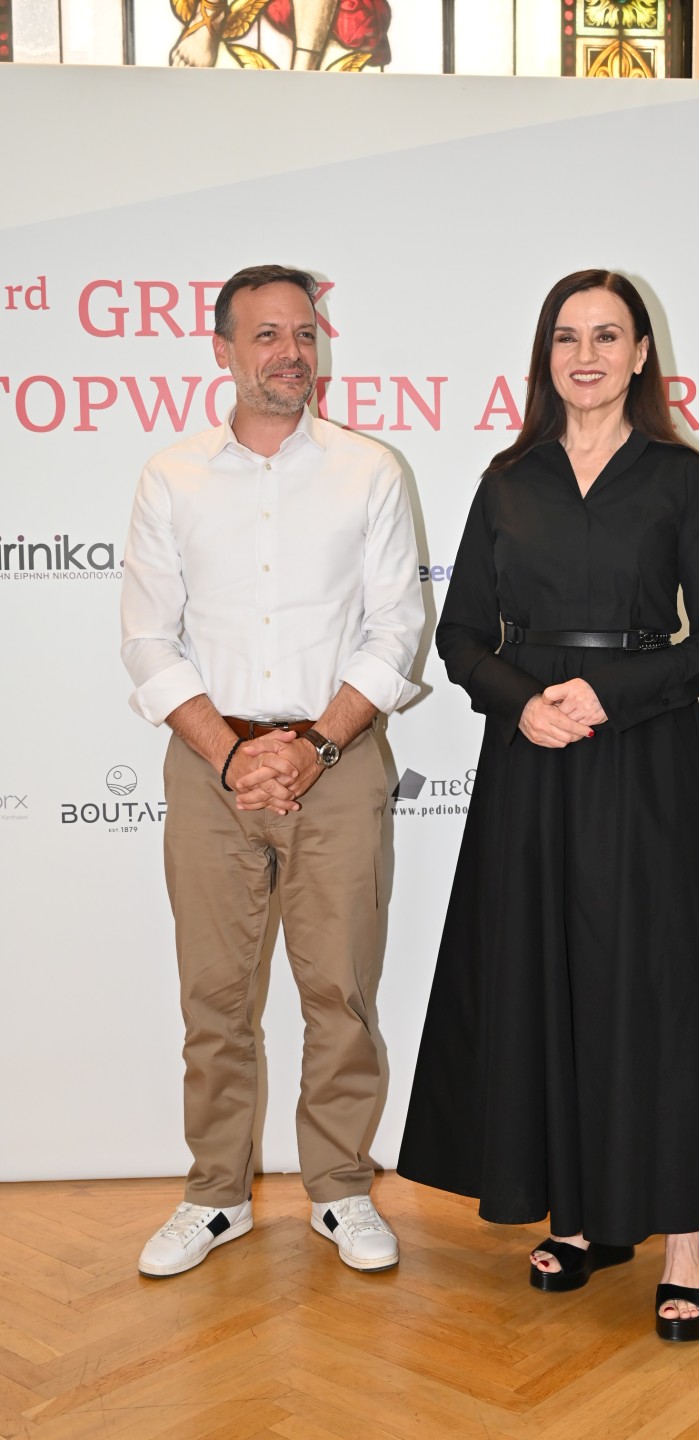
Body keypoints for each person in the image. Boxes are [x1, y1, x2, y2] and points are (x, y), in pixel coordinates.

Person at [398, 269, 699, 1341]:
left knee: (660, 989)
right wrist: (522, 704)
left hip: (645, 755)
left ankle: (685, 1236)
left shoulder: (681, 476)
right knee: (547, 981)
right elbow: (463, 633)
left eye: (607, 336)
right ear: (544, 356)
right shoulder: (509, 478)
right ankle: (586, 1215)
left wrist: (612, 694)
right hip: (533, 758)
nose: (585, 356)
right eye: (567, 336)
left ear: (642, 354)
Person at [121, 263, 423, 1278]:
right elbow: (147, 640)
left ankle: (339, 1189)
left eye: (304, 334)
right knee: (214, 999)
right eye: (267, 335)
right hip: (210, 766)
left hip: (338, 760)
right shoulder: (171, 476)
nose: (292, 353)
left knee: (340, 991)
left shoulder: (369, 471)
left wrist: (313, 746)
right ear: (222, 350)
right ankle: (216, 1196)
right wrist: (232, 754)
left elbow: (396, 630)